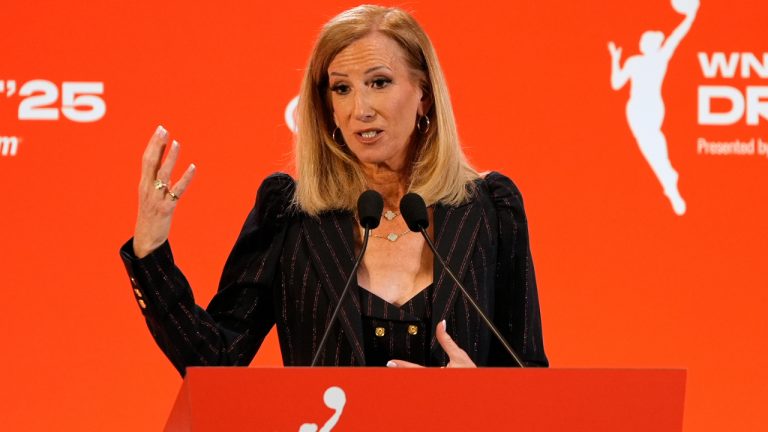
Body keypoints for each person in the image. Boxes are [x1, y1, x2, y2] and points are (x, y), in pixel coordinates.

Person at [120, 5, 547, 375]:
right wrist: (150, 249)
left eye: (379, 82)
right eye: (341, 88)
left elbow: (530, 378)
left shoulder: (489, 208)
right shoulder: (289, 216)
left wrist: (484, 396)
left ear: (424, 95)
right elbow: (214, 362)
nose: (360, 109)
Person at [608, 0, 699, 216]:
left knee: (655, 147)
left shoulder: (659, 58)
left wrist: (690, 17)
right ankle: (670, 182)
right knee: (654, 148)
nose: (647, 43)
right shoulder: (634, 62)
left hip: (653, 109)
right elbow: (616, 83)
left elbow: (677, 37)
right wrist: (615, 59)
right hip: (636, 110)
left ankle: (670, 181)